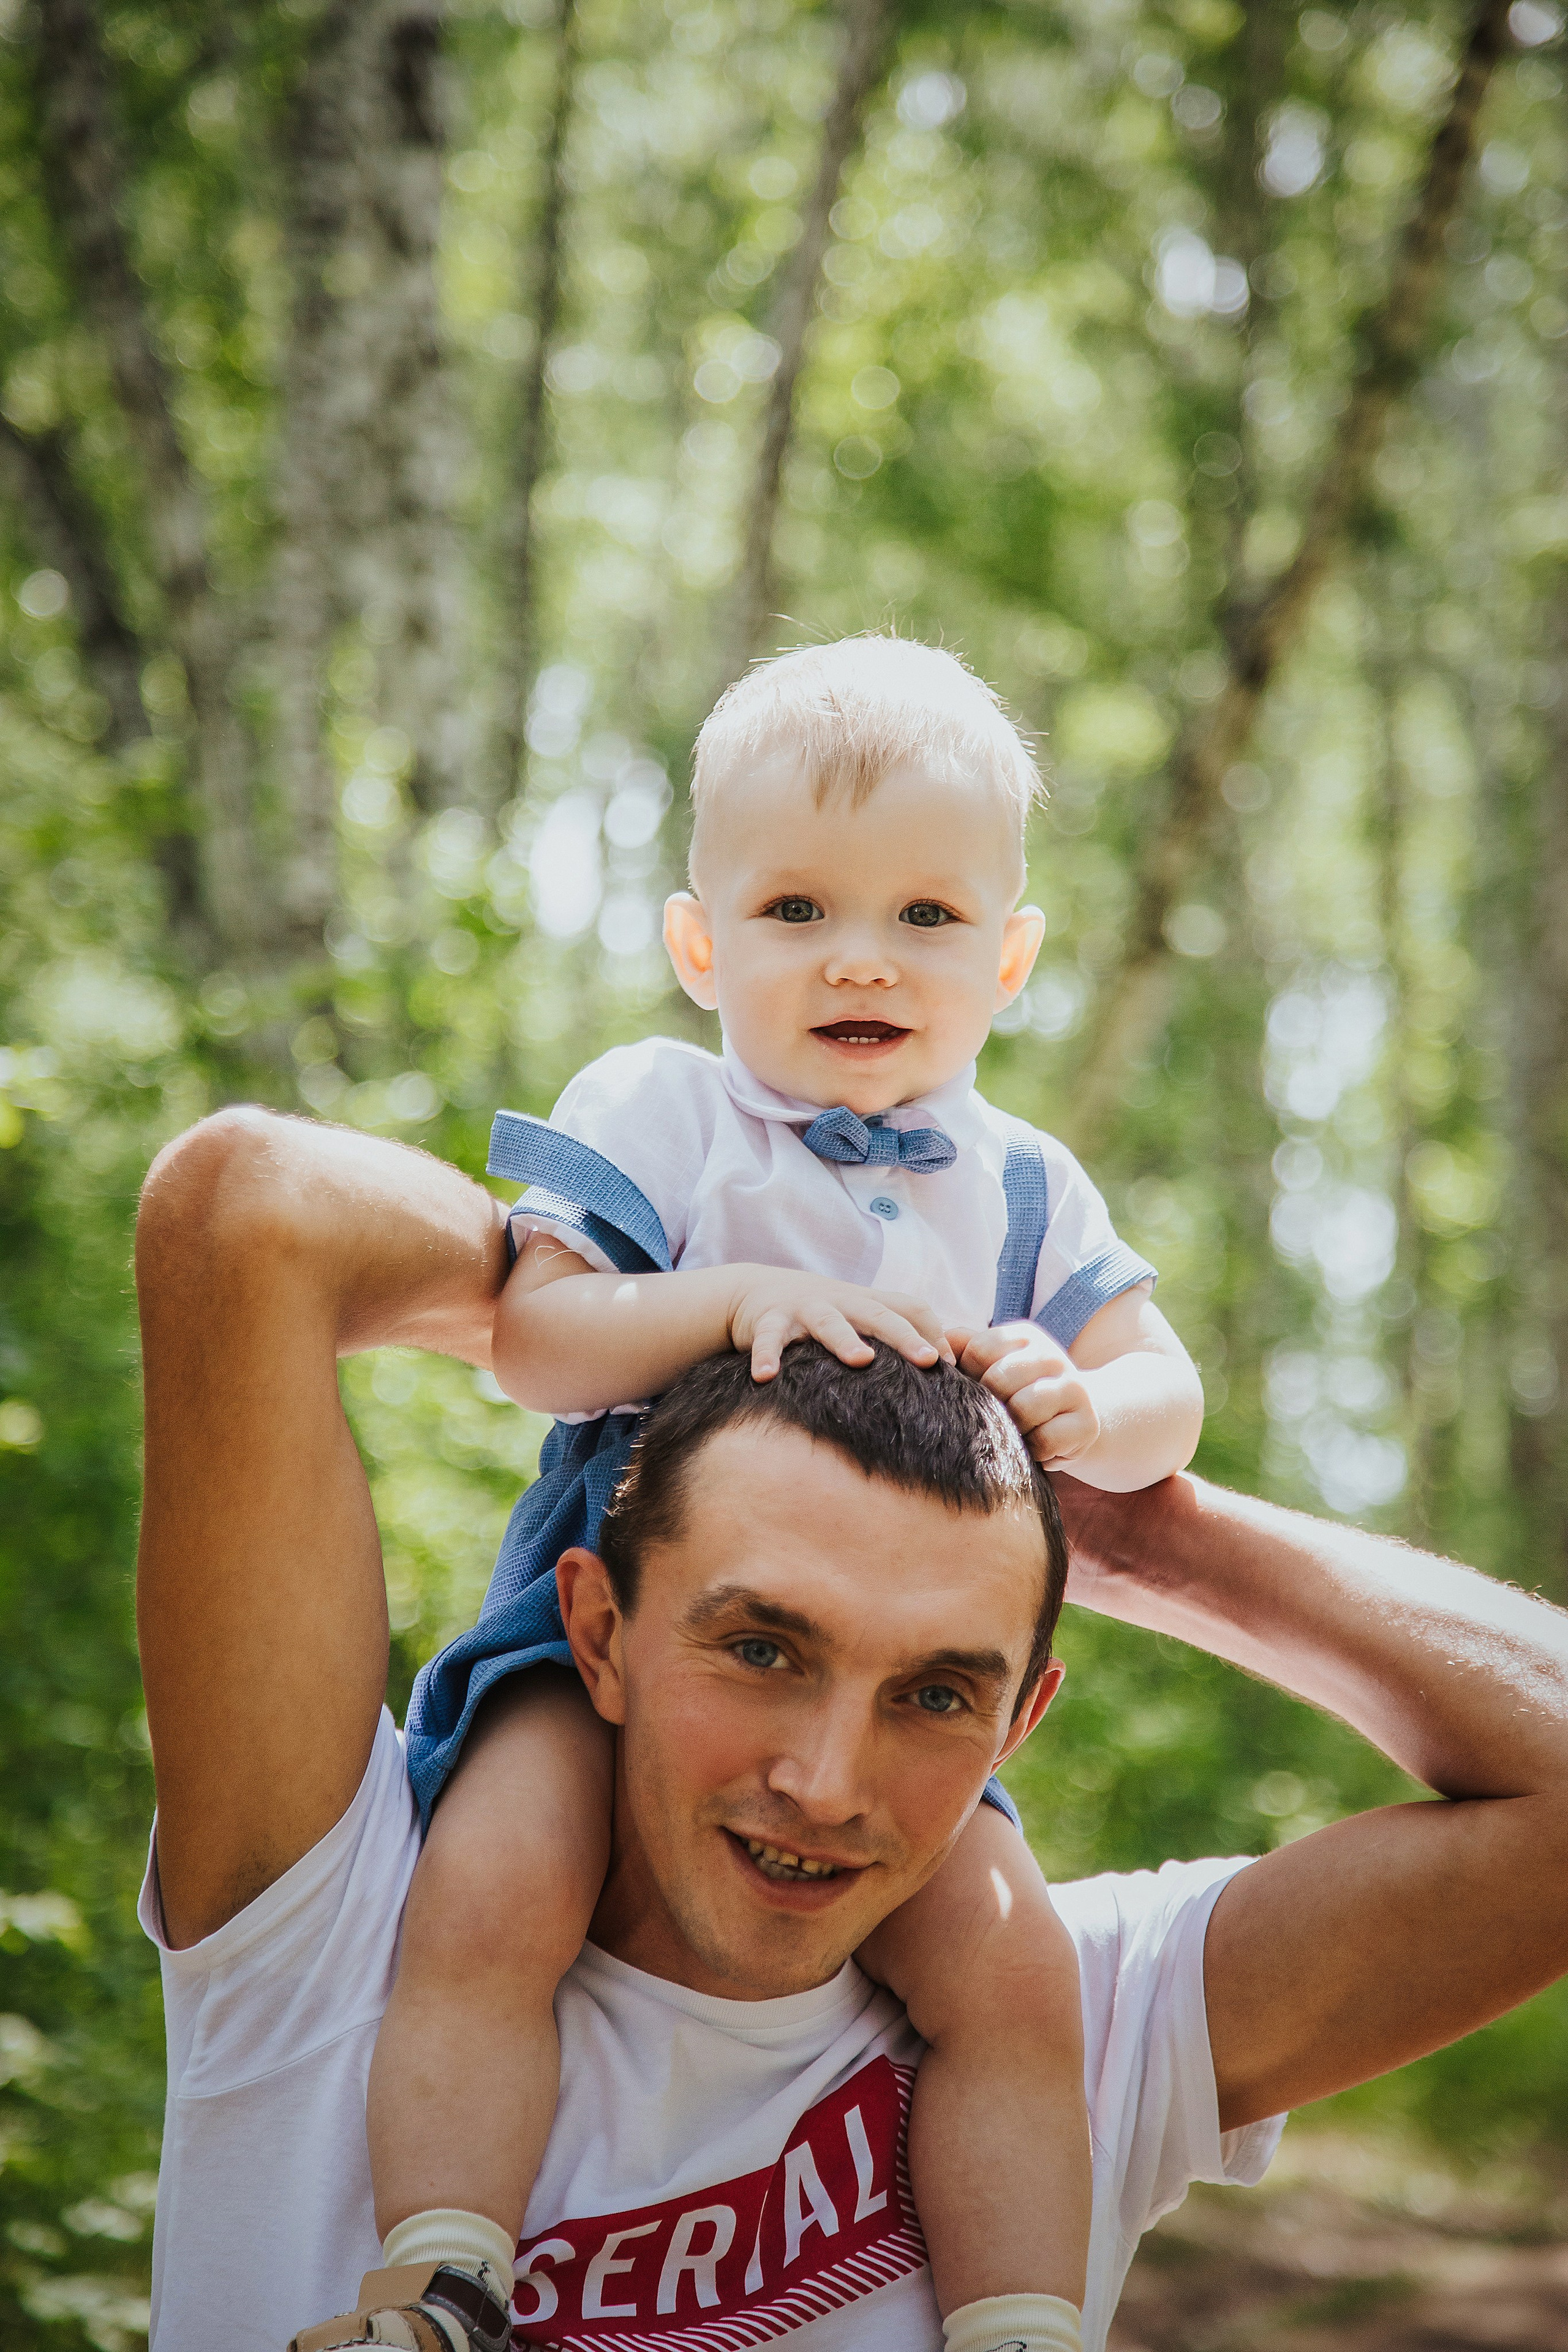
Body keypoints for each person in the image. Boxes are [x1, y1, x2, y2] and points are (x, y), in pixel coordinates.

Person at [137, 1108, 1568, 2352]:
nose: (824, 1787)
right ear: (598, 1635)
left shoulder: (1053, 2020)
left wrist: (1131, 1529)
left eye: (938, 1694)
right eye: (760, 1649)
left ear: (1019, 1720)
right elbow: (252, 1205)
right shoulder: (340, 1940)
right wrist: (620, 1331)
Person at [351, 636, 1207, 2352]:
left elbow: (1168, 1394)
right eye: (796, 909)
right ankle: (439, 2276)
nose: (860, 957)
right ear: (701, 945)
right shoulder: (670, 1112)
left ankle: (1019, 2322)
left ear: (1010, 957)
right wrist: (724, 1300)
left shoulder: (1022, 1183)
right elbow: (537, 1340)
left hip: (881, 1670)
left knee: (1010, 1969)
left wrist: (1090, 1405)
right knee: (497, 1883)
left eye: (927, 916)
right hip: (607, 1615)